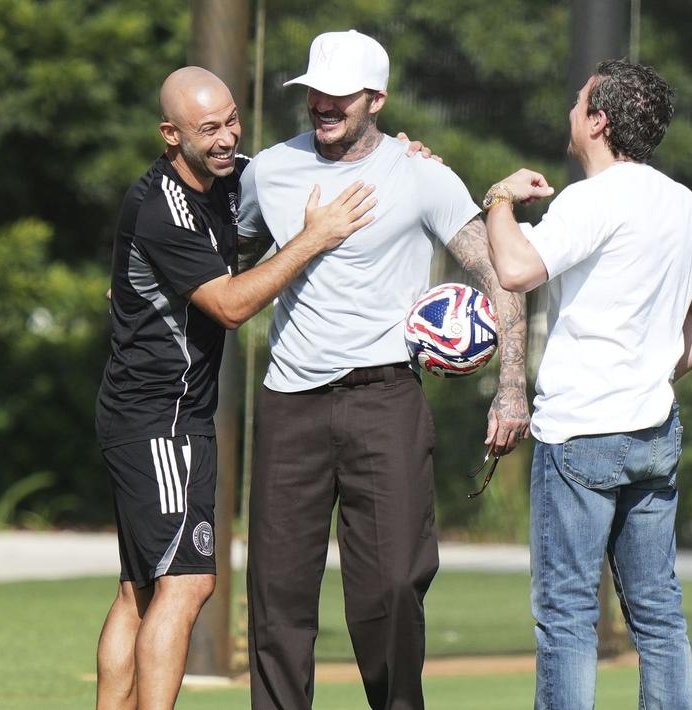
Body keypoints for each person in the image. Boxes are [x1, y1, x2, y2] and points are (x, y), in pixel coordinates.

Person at [236, 30, 530, 710]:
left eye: (339, 95)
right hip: (290, 401)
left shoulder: (421, 174)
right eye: (315, 92)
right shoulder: (268, 171)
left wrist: (510, 389)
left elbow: (501, 271)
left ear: (377, 99)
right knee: (277, 596)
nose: (322, 105)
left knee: (393, 584)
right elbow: (226, 255)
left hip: (385, 399)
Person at [93, 66, 379, 710]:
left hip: (162, 417)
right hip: (158, 421)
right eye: (208, 129)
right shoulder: (160, 206)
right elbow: (228, 305)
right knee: (188, 583)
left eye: (231, 120)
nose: (226, 138)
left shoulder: (229, 176)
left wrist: (405, 154)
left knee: (141, 589)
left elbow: (312, 165)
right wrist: (315, 238)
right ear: (171, 135)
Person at [482, 60, 692, 710]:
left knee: (566, 615)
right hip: (653, 434)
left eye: (577, 101)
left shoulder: (593, 198)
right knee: (658, 614)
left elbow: (512, 267)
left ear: (598, 120)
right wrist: (656, 371)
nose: (570, 110)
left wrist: (499, 199)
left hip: (581, 437)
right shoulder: (681, 201)